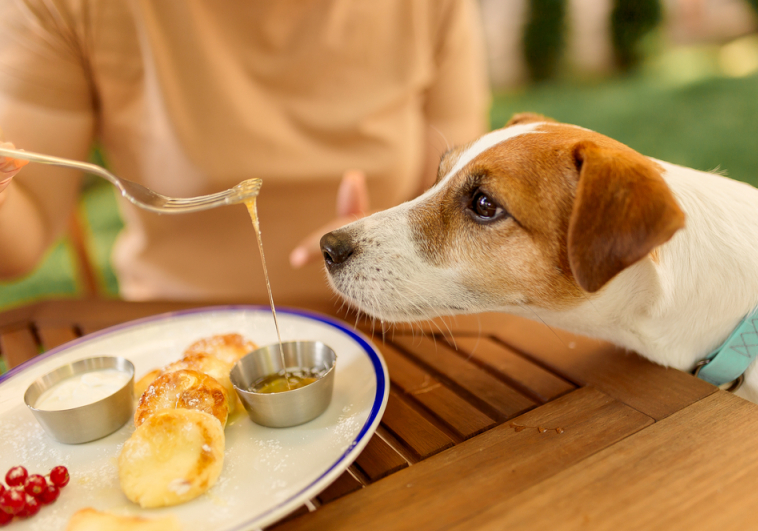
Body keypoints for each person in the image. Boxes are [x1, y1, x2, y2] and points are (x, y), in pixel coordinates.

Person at [0, 0, 489, 304]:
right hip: (173, 332)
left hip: (387, 325)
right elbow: (20, 244)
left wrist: (387, 237)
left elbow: (462, 193)